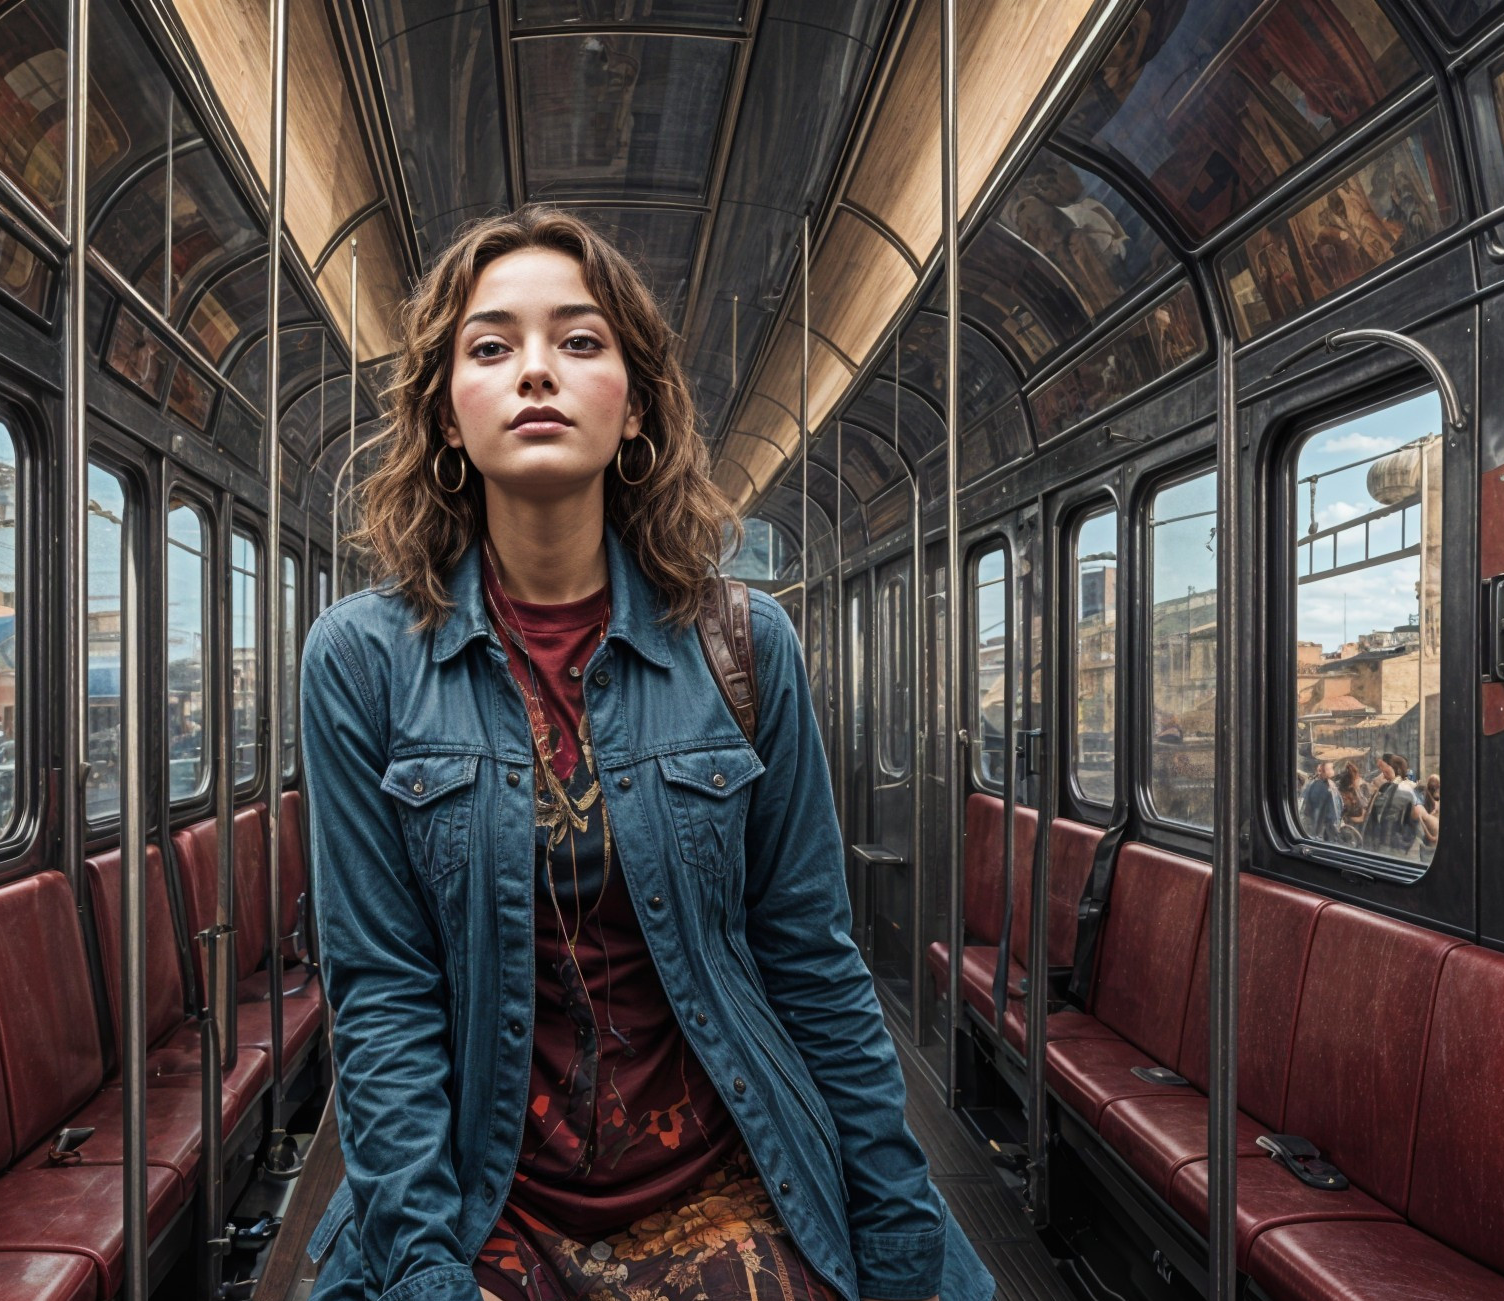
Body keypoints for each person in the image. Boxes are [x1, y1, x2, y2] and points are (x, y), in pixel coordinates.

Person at [298, 208, 989, 1301]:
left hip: (732, 1170)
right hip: (483, 1194)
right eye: (490, 347)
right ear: (444, 412)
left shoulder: (744, 644)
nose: (535, 370)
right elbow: (383, 992)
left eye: (579, 342)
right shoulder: (362, 660)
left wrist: (897, 1227)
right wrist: (424, 1264)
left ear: (634, 409)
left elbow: (808, 953)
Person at [1301, 760, 1341, 842]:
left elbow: (1336, 801)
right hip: (1320, 821)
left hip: (1329, 819)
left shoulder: (1330, 783)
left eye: (1331, 768)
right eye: (1329, 769)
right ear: (1322, 770)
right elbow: (1317, 809)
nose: (1331, 771)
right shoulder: (1318, 785)